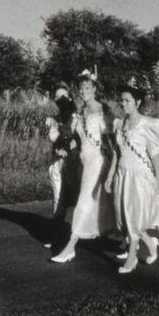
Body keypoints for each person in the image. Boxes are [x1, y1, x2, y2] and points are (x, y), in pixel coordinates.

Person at [108, 80, 159, 274]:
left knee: (134, 217)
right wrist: (109, 177)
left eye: (127, 100)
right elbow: (116, 152)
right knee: (123, 219)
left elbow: (154, 151)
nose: (123, 104)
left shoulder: (148, 124)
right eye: (121, 101)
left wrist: (158, 176)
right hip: (122, 175)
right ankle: (150, 244)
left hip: (140, 176)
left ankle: (131, 258)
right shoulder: (118, 124)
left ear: (137, 102)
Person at [50, 69, 115, 263]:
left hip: (99, 163)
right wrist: (63, 147)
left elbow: (111, 141)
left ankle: (70, 247)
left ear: (94, 89)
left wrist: (112, 169)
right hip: (84, 162)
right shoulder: (80, 113)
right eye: (81, 88)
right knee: (108, 204)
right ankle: (138, 239)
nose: (84, 91)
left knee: (84, 202)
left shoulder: (103, 111)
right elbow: (79, 141)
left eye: (88, 87)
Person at [45, 84, 79, 233]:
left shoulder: (76, 118)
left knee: (76, 197)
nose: (59, 99)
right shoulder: (55, 119)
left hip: (72, 162)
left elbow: (78, 139)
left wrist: (66, 147)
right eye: (57, 97)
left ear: (69, 98)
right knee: (58, 197)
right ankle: (57, 233)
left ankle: (78, 233)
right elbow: (53, 137)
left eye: (62, 96)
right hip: (57, 162)